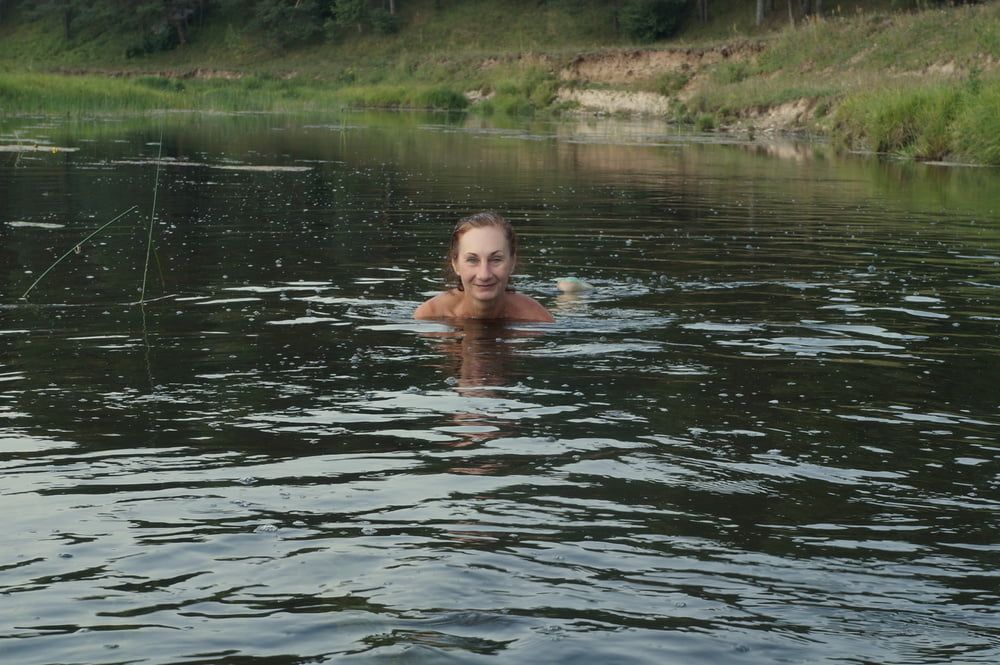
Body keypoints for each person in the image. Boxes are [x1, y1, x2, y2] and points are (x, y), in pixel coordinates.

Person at [414, 212, 554, 322]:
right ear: (455, 264)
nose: (484, 275)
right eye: (472, 260)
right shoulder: (429, 316)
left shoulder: (537, 319)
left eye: (496, 259)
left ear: (512, 263)